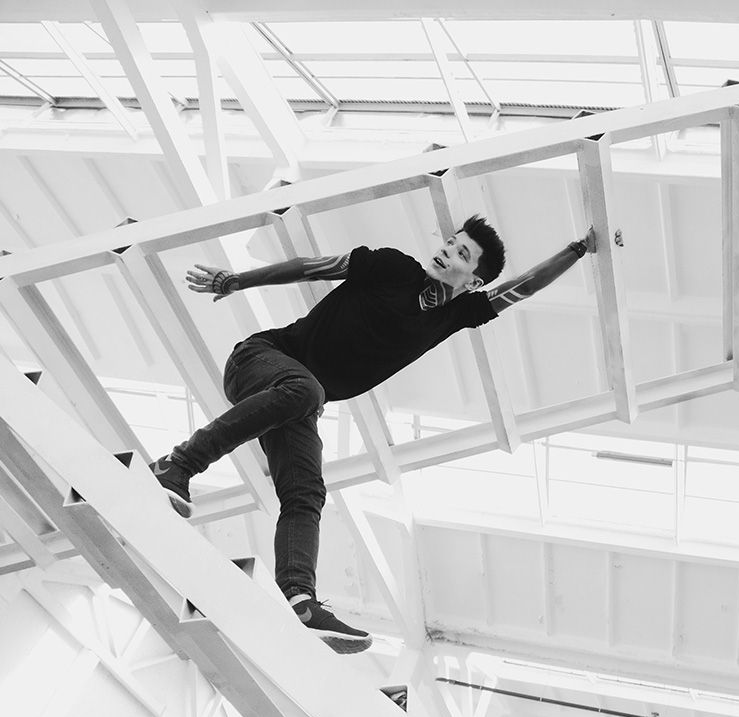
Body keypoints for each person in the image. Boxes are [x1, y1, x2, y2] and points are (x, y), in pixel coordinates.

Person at [150, 215, 614, 654]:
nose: (446, 251)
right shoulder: (393, 267)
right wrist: (237, 280)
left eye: (462, 254)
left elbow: (522, 287)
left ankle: (301, 600)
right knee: (307, 390)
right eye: (450, 242)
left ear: (474, 280)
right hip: (259, 360)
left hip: (296, 403)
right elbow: (312, 267)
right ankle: (178, 464)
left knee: (307, 492)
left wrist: (578, 249)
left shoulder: (456, 315)